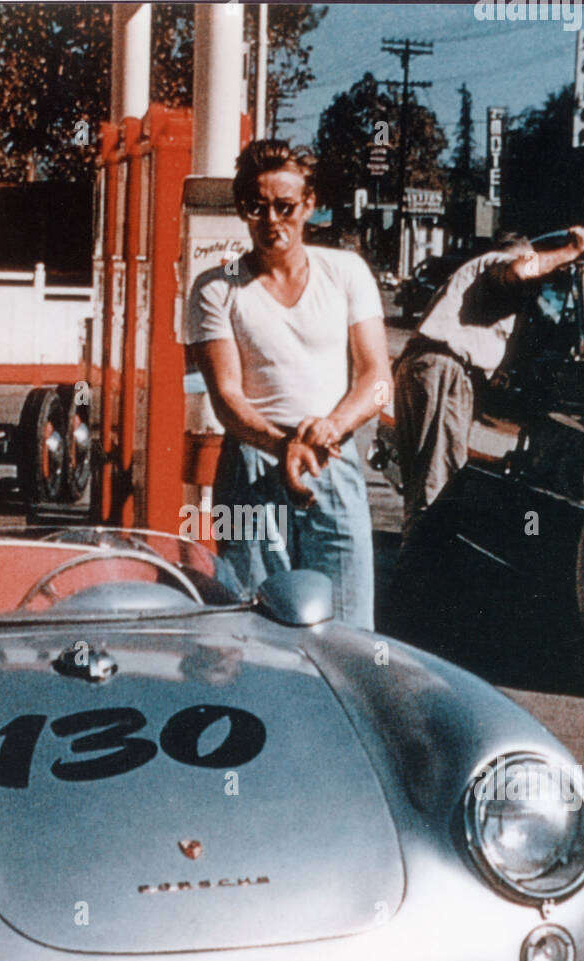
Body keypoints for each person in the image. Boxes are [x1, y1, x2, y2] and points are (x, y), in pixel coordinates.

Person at [185, 140, 392, 628]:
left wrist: (331, 426)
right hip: (251, 466)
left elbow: (377, 377)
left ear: (309, 205)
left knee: (347, 626)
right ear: (242, 210)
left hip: (331, 459)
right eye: (257, 207)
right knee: (250, 621)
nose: (272, 220)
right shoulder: (217, 285)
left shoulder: (344, 271)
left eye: (285, 207)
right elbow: (227, 397)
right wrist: (283, 446)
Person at [393, 226, 584, 538]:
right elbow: (518, 270)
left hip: (425, 366)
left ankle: (420, 557)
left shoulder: (478, 285)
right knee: (437, 487)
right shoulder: (498, 262)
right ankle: (425, 572)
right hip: (444, 368)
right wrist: (570, 251)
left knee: (425, 482)